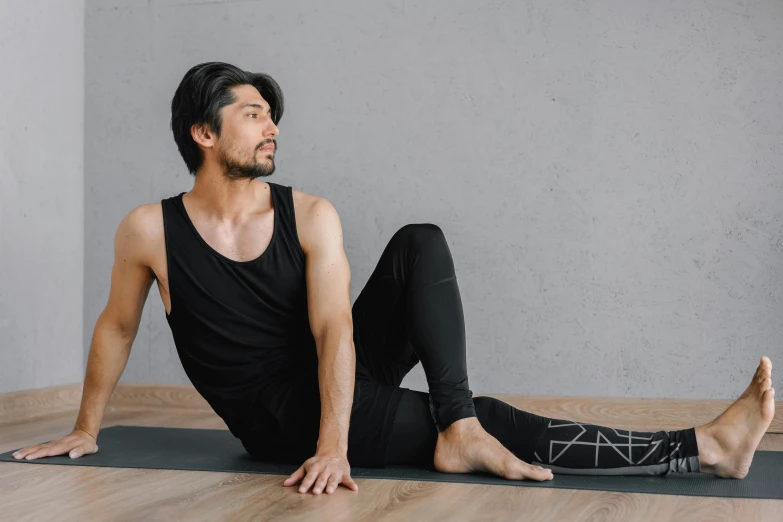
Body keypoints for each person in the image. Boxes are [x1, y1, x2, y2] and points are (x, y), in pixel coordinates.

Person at [12, 63, 776, 496]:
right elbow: (116, 325)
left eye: (271, 114)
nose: (271, 124)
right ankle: (703, 449)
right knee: (490, 418)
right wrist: (86, 427)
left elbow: (334, 329)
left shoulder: (308, 214)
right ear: (203, 133)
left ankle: (458, 427)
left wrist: (335, 442)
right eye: (250, 114)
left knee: (420, 243)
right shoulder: (150, 229)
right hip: (272, 414)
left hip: (327, 382)